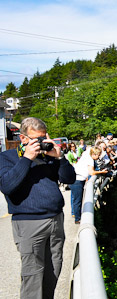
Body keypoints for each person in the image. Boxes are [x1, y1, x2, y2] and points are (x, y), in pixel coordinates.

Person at [0, 117, 76, 299]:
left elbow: (69, 179)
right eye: (36, 139)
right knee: (32, 276)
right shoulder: (7, 158)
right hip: (29, 223)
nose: (41, 143)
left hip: (56, 220)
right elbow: (7, 186)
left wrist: (60, 157)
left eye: (43, 138)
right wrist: (27, 158)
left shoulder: (48, 156)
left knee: (54, 270)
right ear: (23, 138)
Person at [71, 146, 108, 224]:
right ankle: (77, 219)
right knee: (78, 200)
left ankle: (75, 214)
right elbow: (91, 172)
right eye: (98, 155)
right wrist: (102, 172)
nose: (98, 157)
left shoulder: (86, 154)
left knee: (76, 199)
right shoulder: (90, 159)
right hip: (78, 180)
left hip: (76, 178)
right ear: (94, 154)